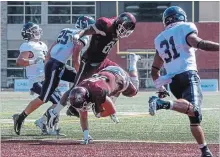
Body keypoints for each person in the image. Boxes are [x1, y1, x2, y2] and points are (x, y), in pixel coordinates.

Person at [148, 6, 219, 157]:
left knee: (194, 117)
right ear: (181, 17)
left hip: (173, 82)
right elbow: (199, 43)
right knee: (195, 109)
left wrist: (160, 89)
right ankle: (162, 104)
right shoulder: (185, 28)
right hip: (187, 75)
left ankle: (204, 151)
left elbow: (154, 70)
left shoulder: (160, 38)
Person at [47, 12, 137, 124]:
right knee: (75, 88)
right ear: (119, 23)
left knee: (120, 77)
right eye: (123, 29)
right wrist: (79, 35)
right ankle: (54, 112)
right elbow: (87, 30)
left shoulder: (116, 23)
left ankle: (110, 108)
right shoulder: (106, 24)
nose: (124, 32)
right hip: (89, 62)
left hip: (103, 61)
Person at [12, 16, 95, 135]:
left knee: (78, 80)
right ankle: (21, 118)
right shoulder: (83, 36)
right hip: (50, 70)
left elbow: (50, 52)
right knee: (46, 98)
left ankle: (65, 111)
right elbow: (75, 58)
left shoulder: (65, 30)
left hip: (55, 66)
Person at [69, 53, 140, 144]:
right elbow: (83, 115)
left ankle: (133, 62)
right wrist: (86, 136)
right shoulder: (80, 88)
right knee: (106, 98)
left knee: (133, 92)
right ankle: (112, 92)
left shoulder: (98, 92)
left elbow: (112, 110)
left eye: (82, 105)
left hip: (120, 77)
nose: (82, 109)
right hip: (106, 72)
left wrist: (99, 114)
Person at [12, 22, 62, 135]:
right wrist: (33, 61)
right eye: (34, 30)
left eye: (37, 30)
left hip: (47, 78)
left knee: (59, 102)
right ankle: (39, 121)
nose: (37, 32)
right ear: (29, 33)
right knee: (56, 101)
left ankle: (39, 120)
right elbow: (19, 62)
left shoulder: (42, 44)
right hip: (36, 79)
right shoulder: (28, 45)